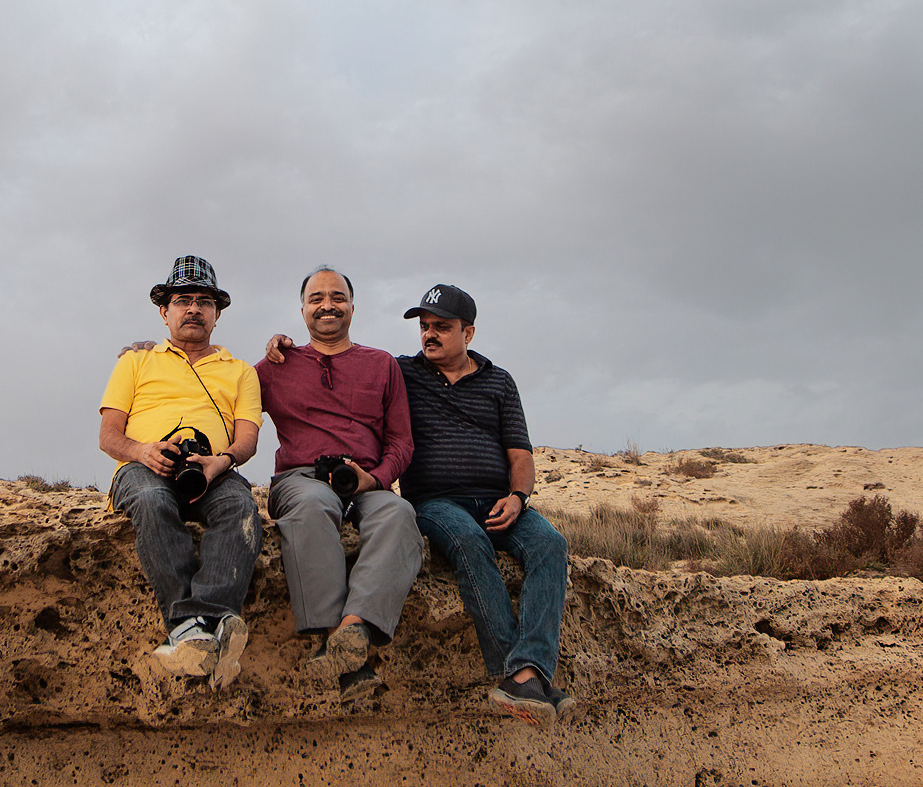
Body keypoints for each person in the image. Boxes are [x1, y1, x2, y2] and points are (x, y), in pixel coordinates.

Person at [396, 284, 573, 729]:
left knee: (550, 543)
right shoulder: (403, 372)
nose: (429, 334)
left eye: (441, 326)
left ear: (468, 332)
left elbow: (520, 454)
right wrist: (287, 347)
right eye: (424, 326)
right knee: (469, 540)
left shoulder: (499, 382)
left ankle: (527, 674)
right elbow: (348, 359)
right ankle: (522, 676)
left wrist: (518, 498)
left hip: (499, 500)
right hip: (435, 502)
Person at [254, 267, 420, 702]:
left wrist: (376, 478)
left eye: (337, 297)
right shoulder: (275, 366)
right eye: (316, 298)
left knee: (399, 513)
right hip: (300, 477)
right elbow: (217, 391)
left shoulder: (382, 364)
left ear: (352, 306)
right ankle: (333, 638)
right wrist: (144, 353)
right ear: (302, 310)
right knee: (312, 505)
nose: (327, 305)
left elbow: (402, 442)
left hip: (365, 479)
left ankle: (351, 631)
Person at [99, 256, 263, 686]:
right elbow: (108, 436)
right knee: (152, 501)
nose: (193, 309)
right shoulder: (135, 361)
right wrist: (142, 451)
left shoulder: (241, 372)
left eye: (204, 301)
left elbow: (247, 440)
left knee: (241, 509)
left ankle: (196, 628)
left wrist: (220, 462)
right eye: (183, 300)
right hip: (143, 468)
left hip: (213, 469)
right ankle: (198, 629)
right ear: (164, 311)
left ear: (217, 314)